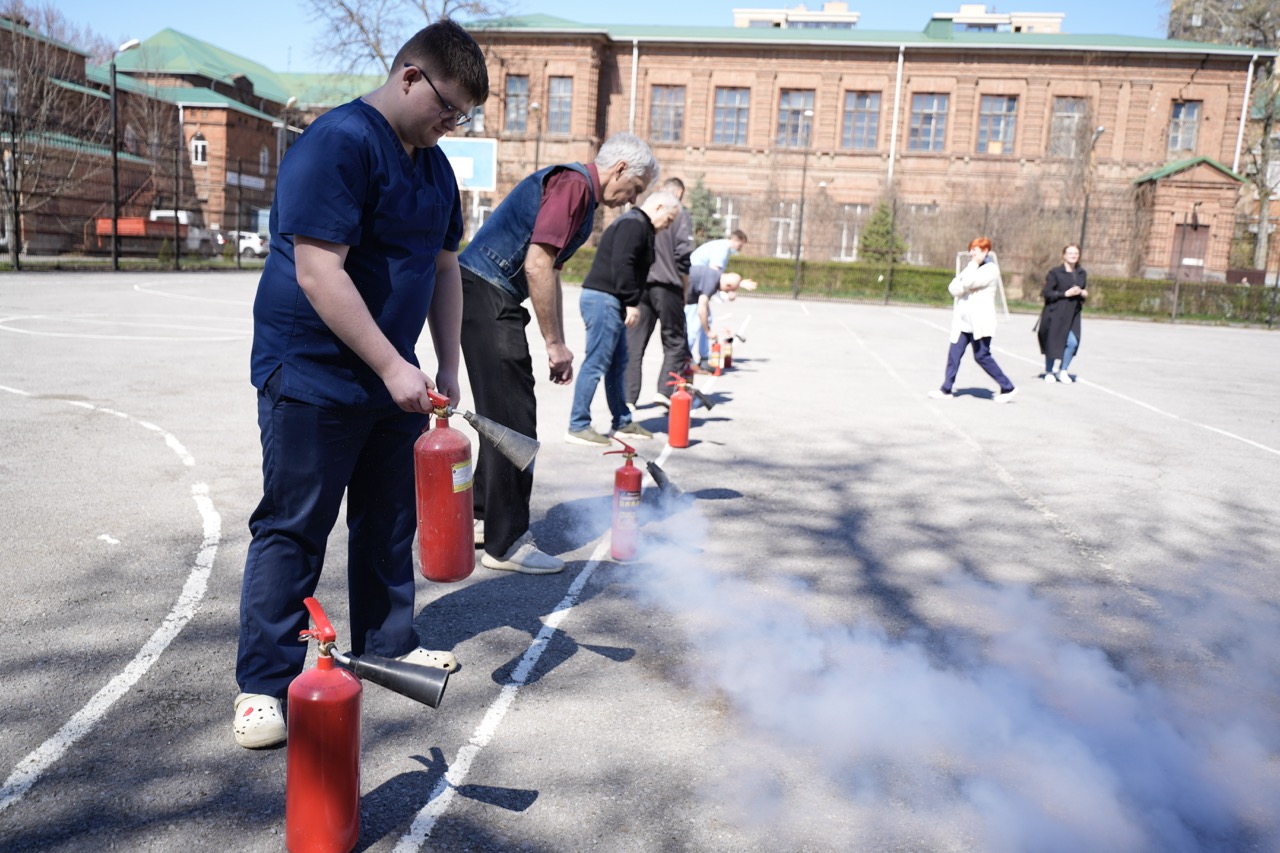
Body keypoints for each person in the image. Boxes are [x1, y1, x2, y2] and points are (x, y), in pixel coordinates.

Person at [234, 21, 489, 749]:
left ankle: (389, 641)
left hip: (395, 376)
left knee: (388, 518)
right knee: (294, 526)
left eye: (463, 116)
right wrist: (390, 365)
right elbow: (319, 270)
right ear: (409, 75)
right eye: (447, 106)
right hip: (311, 371)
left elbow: (444, 271)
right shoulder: (340, 143)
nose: (451, 124)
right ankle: (262, 682)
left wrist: (447, 363)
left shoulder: (436, 169)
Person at [459, 134, 659, 574]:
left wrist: (561, 342)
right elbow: (536, 264)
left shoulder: (580, 196)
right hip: (486, 294)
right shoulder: (574, 186)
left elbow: (551, 273)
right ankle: (506, 543)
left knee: (500, 416)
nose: (635, 198)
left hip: (483, 294)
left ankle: (480, 518)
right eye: (637, 185)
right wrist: (552, 343)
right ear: (621, 168)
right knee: (514, 422)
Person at [566, 190, 682, 445]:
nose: (668, 225)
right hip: (604, 299)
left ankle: (622, 421)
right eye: (670, 219)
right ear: (659, 207)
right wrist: (631, 302)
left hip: (610, 300)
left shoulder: (638, 224)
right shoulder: (634, 224)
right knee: (596, 364)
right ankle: (578, 425)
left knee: (618, 364)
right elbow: (623, 263)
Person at [624, 177, 694, 408]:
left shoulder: (644, 215)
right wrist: (685, 287)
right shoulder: (678, 214)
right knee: (675, 340)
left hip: (643, 285)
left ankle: (629, 398)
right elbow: (683, 254)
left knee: (635, 343)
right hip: (667, 285)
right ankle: (664, 391)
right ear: (678, 193)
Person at [928, 236, 1018, 402]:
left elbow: (968, 281)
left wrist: (970, 272)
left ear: (985, 251)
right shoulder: (972, 267)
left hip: (981, 323)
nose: (971, 253)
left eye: (975, 250)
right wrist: (965, 284)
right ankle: (946, 389)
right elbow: (954, 287)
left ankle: (1008, 387)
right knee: (954, 354)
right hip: (963, 322)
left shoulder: (990, 269)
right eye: (971, 249)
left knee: (982, 356)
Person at [685, 268, 756, 375]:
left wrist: (740, 283)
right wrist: (708, 331)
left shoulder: (714, 275)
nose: (725, 292)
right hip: (673, 296)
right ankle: (684, 362)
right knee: (690, 332)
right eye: (727, 290)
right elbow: (701, 308)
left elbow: (729, 280)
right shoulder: (712, 282)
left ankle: (685, 360)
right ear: (728, 286)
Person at [1038, 243, 1088, 383]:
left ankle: (1063, 370)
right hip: (1056, 312)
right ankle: (1049, 371)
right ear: (1064, 255)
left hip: (1073, 314)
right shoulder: (1055, 272)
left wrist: (1083, 293)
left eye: (1076, 253)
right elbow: (1047, 293)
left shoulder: (1081, 273)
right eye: (1070, 253)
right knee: (1053, 341)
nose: (1073, 256)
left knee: (1073, 342)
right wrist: (1065, 293)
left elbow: (1082, 288)